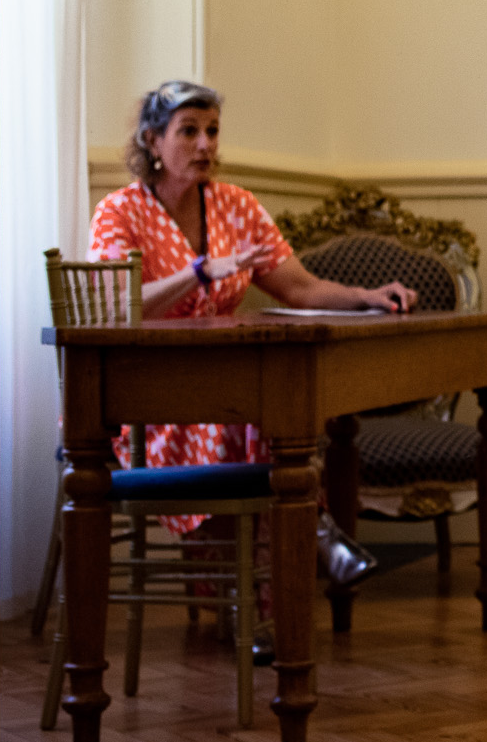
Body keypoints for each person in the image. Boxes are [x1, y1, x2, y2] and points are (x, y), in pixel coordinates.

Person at [88, 81, 417, 564]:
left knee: (273, 407)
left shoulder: (236, 206)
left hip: (225, 379)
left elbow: (299, 288)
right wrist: (196, 272)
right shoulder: (119, 212)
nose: (205, 145)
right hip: (147, 394)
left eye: (213, 131)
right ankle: (290, 561)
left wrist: (367, 296)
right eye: (189, 132)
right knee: (253, 414)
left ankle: (264, 585)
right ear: (152, 141)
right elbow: (117, 307)